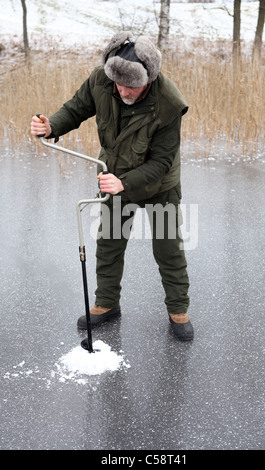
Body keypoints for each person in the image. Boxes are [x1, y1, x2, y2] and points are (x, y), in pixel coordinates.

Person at [31, 31, 194, 341]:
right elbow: (76, 109)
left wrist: (125, 182)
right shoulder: (101, 81)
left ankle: (178, 309)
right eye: (118, 84)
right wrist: (51, 125)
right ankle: (107, 303)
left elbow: (161, 162)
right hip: (113, 175)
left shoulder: (169, 103)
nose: (122, 90)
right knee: (108, 244)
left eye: (130, 85)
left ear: (148, 79)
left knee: (168, 248)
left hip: (160, 186)